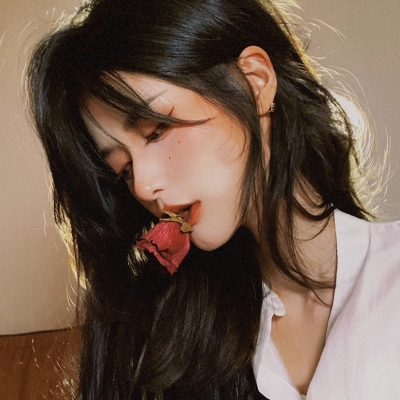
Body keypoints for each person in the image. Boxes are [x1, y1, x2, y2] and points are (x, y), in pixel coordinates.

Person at [26, 0, 400, 398]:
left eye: (156, 130)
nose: (143, 187)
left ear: (254, 82)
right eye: (123, 169)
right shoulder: (164, 338)